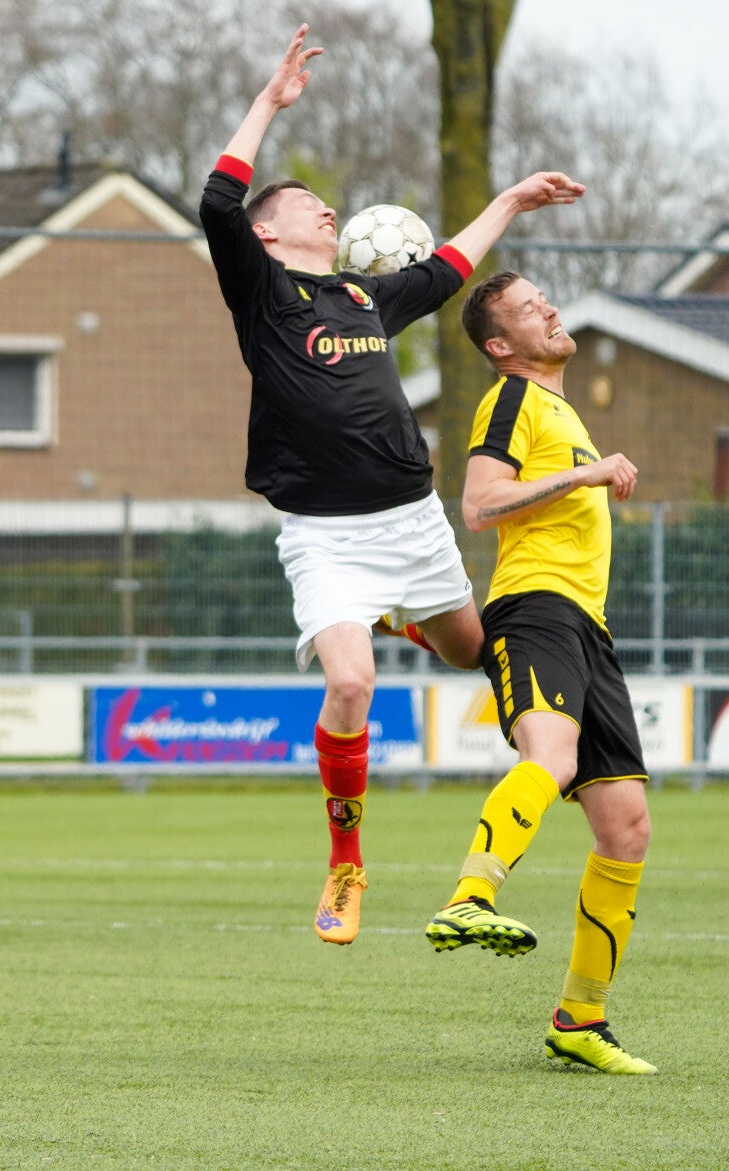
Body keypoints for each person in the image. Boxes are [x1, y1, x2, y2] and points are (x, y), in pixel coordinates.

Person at [201, 24, 583, 944]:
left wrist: (509, 199)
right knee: (351, 684)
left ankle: (393, 615)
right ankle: (346, 862)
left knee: (470, 653)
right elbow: (217, 199)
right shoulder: (261, 292)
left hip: (411, 524)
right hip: (325, 535)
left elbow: (447, 270)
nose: (327, 210)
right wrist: (270, 102)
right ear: (267, 231)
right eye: (309, 205)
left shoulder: (364, 299)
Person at [420, 271, 655, 1075]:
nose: (548, 309)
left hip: (587, 625)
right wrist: (584, 475)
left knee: (626, 827)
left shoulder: (561, 408)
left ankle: (579, 1018)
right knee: (548, 757)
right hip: (535, 609)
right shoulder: (512, 398)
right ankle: (470, 896)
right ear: (499, 345)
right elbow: (479, 504)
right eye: (528, 308)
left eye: (544, 299)